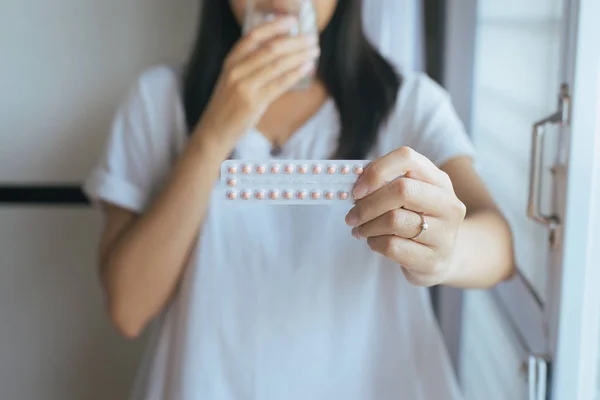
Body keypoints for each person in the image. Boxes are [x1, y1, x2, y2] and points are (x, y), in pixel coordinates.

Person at [83, 0, 515, 399]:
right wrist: (215, 130)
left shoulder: (408, 103)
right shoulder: (158, 101)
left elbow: (498, 246)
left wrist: (447, 252)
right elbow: (129, 307)